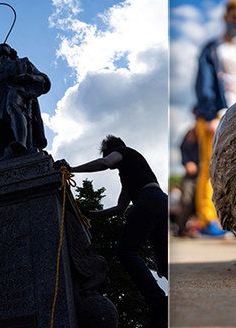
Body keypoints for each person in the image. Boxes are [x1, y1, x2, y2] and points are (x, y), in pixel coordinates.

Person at [55, 135, 167, 328]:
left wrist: (72, 169)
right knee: (163, 262)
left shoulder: (124, 152)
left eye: (108, 152)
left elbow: (105, 162)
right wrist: (90, 214)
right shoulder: (130, 174)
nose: (109, 156)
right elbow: (119, 209)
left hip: (149, 199)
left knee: (126, 251)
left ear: (112, 149)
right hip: (160, 202)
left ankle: (159, 303)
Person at [194, 0, 236, 236]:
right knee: (209, 167)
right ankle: (208, 219)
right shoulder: (212, 48)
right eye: (234, 17)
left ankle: (232, 219)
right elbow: (204, 82)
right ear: (226, 17)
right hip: (215, 115)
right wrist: (208, 114)